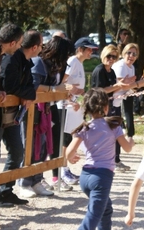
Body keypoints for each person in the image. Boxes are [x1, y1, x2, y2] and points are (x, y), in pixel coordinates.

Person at [66, 88, 135, 230]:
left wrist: (71, 158)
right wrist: (131, 141)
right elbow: (127, 148)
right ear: (106, 107)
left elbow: (69, 152)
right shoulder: (113, 126)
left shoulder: (84, 128)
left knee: (106, 209)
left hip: (85, 177)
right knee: (92, 217)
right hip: (102, 178)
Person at [18, 34, 75, 198]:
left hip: (46, 112)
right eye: (66, 55)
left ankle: (36, 181)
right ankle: (24, 182)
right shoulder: (39, 62)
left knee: (42, 148)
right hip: (31, 112)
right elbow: (34, 87)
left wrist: (64, 92)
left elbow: (55, 87)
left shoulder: (56, 66)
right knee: (29, 147)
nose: (67, 59)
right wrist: (55, 90)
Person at [54, 37, 96, 188]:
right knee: (64, 140)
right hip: (65, 106)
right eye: (89, 49)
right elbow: (62, 83)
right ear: (80, 49)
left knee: (69, 139)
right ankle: (61, 171)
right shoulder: (72, 61)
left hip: (73, 107)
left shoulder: (79, 63)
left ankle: (65, 169)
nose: (91, 51)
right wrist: (72, 99)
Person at [91, 45, 136, 172]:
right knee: (103, 136)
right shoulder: (99, 70)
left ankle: (115, 159)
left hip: (111, 105)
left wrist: (123, 84)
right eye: (109, 56)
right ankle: (101, 161)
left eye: (114, 57)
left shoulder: (111, 71)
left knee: (116, 132)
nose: (111, 59)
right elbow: (100, 90)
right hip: (99, 107)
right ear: (103, 55)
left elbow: (115, 87)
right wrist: (118, 86)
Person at [0, 24, 25, 207]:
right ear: (12, 42)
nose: (20, 47)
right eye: (19, 43)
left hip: (0, 110)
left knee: (11, 152)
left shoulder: (1, 55)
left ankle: (3, 191)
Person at [112, 43, 144, 153]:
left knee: (128, 113)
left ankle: (129, 137)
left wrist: (136, 86)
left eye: (134, 54)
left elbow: (129, 86)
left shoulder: (131, 67)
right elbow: (123, 85)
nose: (131, 56)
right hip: (113, 100)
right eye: (129, 53)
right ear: (123, 54)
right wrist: (140, 83)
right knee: (113, 129)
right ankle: (116, 156)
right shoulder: (120, 66)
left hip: (123, 97)